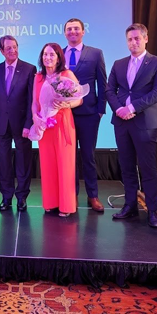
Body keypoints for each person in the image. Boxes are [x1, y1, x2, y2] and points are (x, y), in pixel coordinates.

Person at [105, 23, 157, 228]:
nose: (133, 42)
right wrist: (118, 109)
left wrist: (131, 108)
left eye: (137, 38)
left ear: (146, 39)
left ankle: (152, 211)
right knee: (127, 166)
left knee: (148, 169)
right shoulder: (119, 64)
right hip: (121, 122)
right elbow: (109, 90)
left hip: (144, 123)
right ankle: (130, 206)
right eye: (130, 39)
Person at [31, 43, 82, 217]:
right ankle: (50, 202)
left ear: (59, 57)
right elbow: (34, 103)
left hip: (63, 123)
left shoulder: (67, 75)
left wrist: (68, 103)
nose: (48, 58)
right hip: (45, 126)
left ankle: (66, 206)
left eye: (52, 54)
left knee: (65, 164)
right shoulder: (38, 77)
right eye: (45, 54)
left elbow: (79, 99)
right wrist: (34, 117)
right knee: (47, 164)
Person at [62, 18, 107, 212]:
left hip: (89, 114)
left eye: (76, 29)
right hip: (64, 113)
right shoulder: (59, 54)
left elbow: (102, 83)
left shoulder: (95, 53)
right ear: (65, 33)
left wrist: (100, 110)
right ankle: (70, 195)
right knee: (68, 157)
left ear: (83, 31)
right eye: (69, 29)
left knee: (88, 156)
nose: (73, 32)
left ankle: (93, 196)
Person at [0, 35, 36, 212]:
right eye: (8, 48)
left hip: (22, 124)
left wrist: (28, 123)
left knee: (23, 162)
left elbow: (32, 99)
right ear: (1, 51)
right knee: (4, 163)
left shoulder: (29, 69)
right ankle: (6, 197)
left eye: (15, 47)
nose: (12, 50)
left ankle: (22, 196)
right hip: (1, 124)